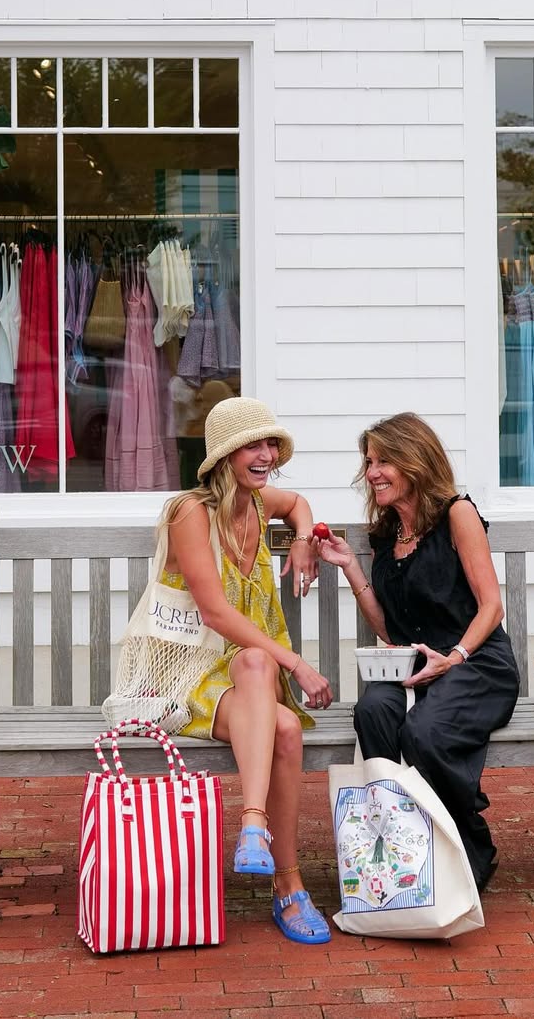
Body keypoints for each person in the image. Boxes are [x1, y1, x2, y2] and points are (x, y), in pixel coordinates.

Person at [317, 412, 520, 893]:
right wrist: (350, 567)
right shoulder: (387, 534)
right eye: (369, 462)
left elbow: (492, 605)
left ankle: (471, 845)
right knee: (372, 711)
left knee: (424, 731)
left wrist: (456, 657)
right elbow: (392, 630)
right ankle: (405, 843)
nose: (373, 472)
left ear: (416, 460)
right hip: (415, 668)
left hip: (476, 663)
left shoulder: (457, 513)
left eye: (385, 460)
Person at [157, 395, 334, 945]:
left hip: (248, 678)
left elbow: (299, 503)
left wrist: (303, 542)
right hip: (190, 674)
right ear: (224, 457)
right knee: (281, 722)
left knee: (262, 676)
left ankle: (257, 836)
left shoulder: (258, 503)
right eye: (251, 446)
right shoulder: (190, 512)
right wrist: (297, 662)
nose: (265, 456)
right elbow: (214, 613)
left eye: (269, 445)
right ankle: (286, 879)